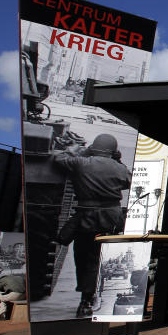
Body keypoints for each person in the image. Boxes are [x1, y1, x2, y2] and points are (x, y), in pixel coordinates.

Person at [53, 133, 131, 318]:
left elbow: (59, 158)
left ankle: (85, 301)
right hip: (111, 218)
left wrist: (82, 151)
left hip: (86, 217)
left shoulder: (82, 163)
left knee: (84, 258)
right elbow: (129, 179)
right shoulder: (119, 169)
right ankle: (98, 298)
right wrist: (117, 161)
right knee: (103, 260)